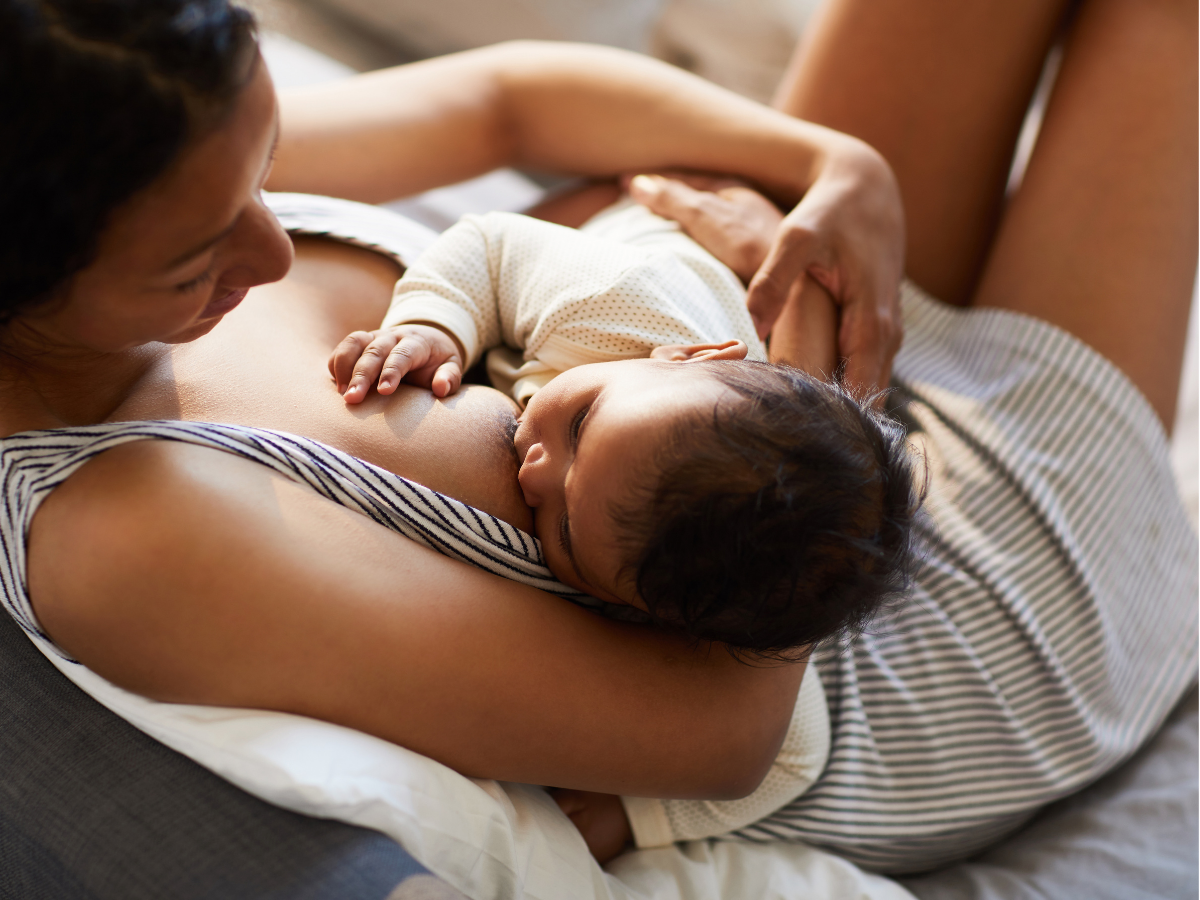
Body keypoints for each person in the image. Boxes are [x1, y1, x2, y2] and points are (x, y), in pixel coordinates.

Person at [0, 0, 1193, 887]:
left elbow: (509, 101)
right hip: (930, 638)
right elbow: (725, 736)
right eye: (194, 266)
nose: (269, 252)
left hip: (773, 365)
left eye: (266, 171)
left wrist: (834, 169)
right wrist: (797, 383)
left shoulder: (153, 134)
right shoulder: (127, 527)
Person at [327, 199, 921, 655]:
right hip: (642, 224)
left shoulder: (685, 582)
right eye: (580, 425)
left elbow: (798, 749)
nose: (534, 473)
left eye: (564, 529)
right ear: (686, 356)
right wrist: (435, 327)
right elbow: (491, 248)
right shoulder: (614, 303)